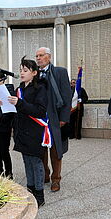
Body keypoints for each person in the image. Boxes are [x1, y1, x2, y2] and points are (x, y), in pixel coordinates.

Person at [8, 56, 48, 207]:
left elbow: (40, 111)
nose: (22, 73)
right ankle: (30, 191)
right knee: (26, 161)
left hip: (34, 131)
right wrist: (4, 104)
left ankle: (39, 194)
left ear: (34, 73)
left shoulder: (40, 89)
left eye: (25, 70)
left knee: (36, 162)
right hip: (21, 130)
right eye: (20, 70)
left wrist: (20, 103)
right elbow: (17, 109)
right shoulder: (19, 89)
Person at [35, 47, 72, 192]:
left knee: (56, 150)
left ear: (49, 57)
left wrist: (63, 118)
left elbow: (67, 95)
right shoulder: (35, 74)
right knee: (41, 150)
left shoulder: (60, 72)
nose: (38, 58)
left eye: (41, 55)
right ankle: (45, 174)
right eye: (36, 56)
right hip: (40, 119)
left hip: (56, 118)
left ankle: (56, 179)